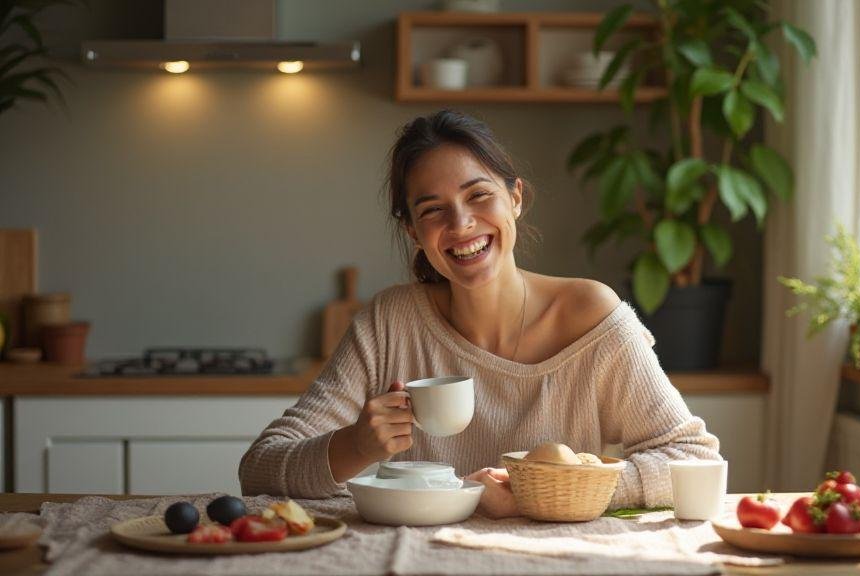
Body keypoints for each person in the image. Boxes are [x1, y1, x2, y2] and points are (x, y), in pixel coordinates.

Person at [239, 109, 720, 518]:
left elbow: (692, 459)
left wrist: (542, 493)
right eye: (432, 210)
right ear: (412, 232)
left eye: (478, 195)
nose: (461, 224)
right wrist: (357, 446)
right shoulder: (390, 323)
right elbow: (259, 467)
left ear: (515, 197)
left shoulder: (591, 317)